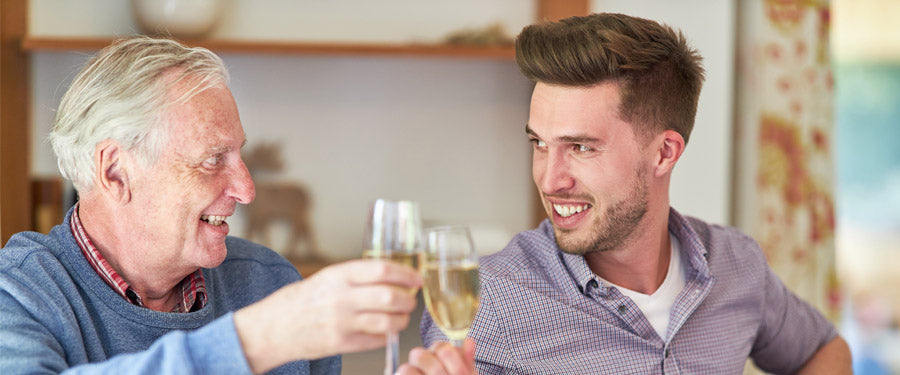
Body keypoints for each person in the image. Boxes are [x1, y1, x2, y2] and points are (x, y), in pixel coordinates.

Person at [0, 36, 474, 374]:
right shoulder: (20, 292)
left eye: (240, 155)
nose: (247, 190)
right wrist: (258, 339)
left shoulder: (268, 280)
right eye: (212, 160)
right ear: (115, 172)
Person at [421, 12, 852, 374]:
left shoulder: (737, 265)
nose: (550, 179)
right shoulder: (487, 302)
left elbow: (825, 350)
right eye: (539, 144)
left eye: (581, 147)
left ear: (664, 153)